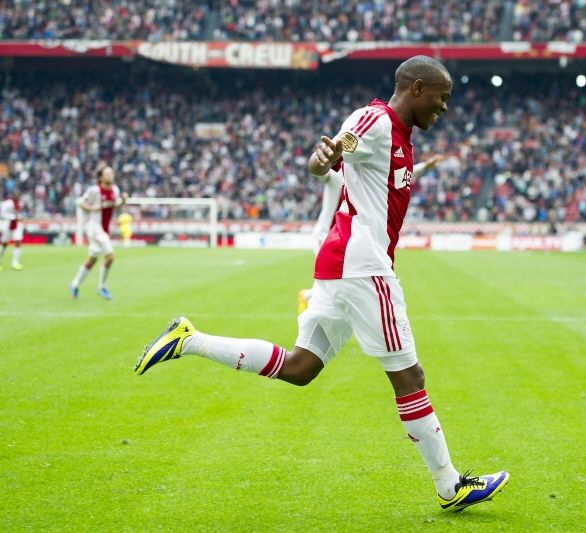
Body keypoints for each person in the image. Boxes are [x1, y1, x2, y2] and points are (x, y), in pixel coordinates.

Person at [134, 56, 509, 512]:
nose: (444, 107)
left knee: (301, 367)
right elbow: (331, 154)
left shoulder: (401, 137)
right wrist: (323, 159)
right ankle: (450, 486)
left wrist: (331, 160)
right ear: (416, 88)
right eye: (441, 97)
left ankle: (188, 340)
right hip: (363, 267)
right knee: (409, 376)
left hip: (341, 264)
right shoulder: (376, 120)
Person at [298, 154, 444, 313]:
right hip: (325, 235)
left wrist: (424, 166)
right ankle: (311, 299)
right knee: (332, 282)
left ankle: (313, 299)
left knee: (342, 280)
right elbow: (321, 173)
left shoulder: (362, 177)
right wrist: (321, 161)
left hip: (347, 237)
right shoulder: (336, 176)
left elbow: (398, 174)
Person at [69, 163, 127, 300]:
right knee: (110, 256)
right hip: (94, 227)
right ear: (100, 177)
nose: (110, 176)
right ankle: (102, 287)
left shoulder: (115, 190)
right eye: (107, 174)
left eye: (111, 173)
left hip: (105, 228)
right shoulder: (94, 190)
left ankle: (74, 284)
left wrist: (123, 201)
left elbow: (115, 206)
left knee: (93, 259)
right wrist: (93, 209)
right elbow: (81, 203)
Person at [0, 189, 24, 271]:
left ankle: (15, 263)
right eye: (16, 196)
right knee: (4, 244)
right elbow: (2, 214)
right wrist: (13, 217)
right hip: (7, 224)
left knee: (18, 241)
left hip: (17, 225)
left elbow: (20, 213)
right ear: (12, 196)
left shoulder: (20, 203)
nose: (17, 197)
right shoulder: (6, 204)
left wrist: (20, 217)